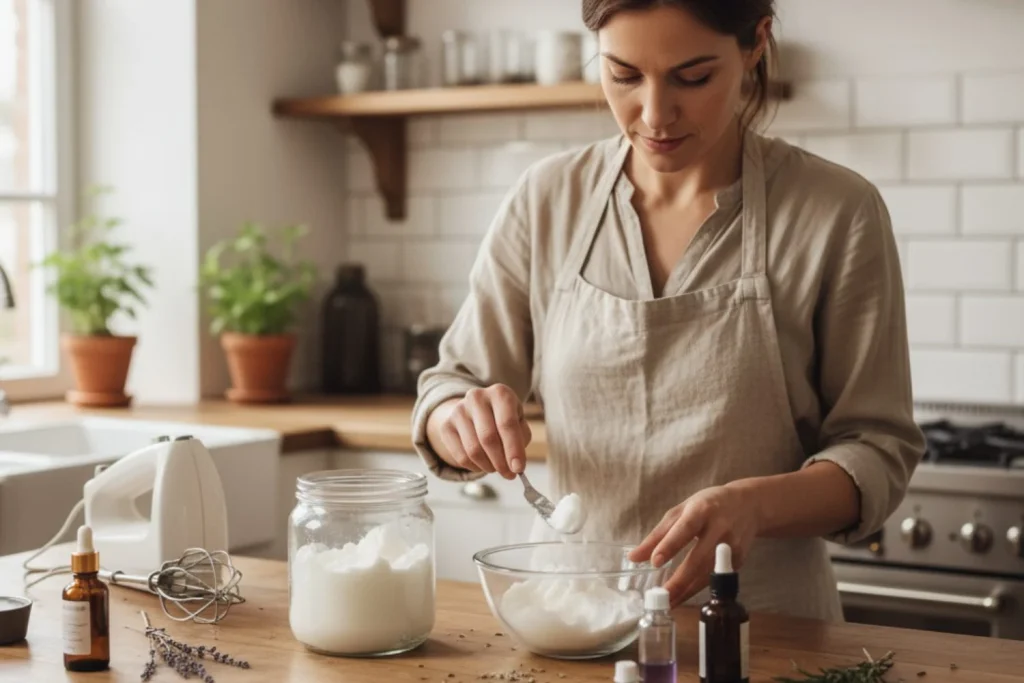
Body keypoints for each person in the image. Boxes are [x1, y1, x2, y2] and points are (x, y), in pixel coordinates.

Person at [411, 0, 925, 621]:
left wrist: (756, 505)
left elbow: (875, 449)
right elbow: (452, 384)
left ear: (755, 45)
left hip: (766, 631)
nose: (654, 114)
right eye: (623, 75)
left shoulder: (836, 211)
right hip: (574, 623)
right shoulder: (547, 200)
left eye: (693, 76)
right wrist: (457, 419)